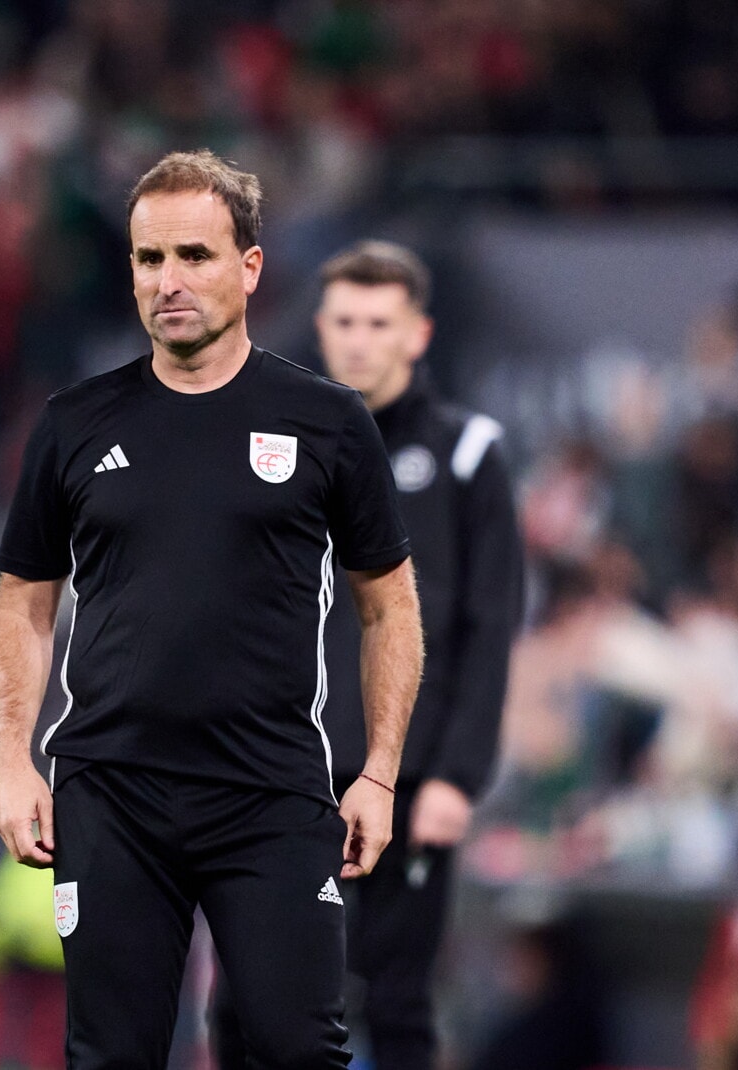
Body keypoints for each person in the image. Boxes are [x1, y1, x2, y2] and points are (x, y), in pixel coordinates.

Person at [0, 149, 424, 1069]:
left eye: (194, 255)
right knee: (109, 1056)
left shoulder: (328, 422)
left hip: (271, 791)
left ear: (250, 267)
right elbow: (23, 603)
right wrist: (11, 763)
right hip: (110, 793)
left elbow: (389, 606)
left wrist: (380, 775)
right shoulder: (73, 423)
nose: (169, 281)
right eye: (150, 259)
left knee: (298, 1050)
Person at [217, 241, 524, 1070]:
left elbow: (490, 626)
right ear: (319, 329)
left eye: (379, 323)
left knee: (396, 997)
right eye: (344, 322)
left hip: (409, 778)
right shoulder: (271, 445)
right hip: (279, 770)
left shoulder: (466, 454)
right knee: (243, 995)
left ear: (418, 334)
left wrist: (457, 775)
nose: (359, 341)